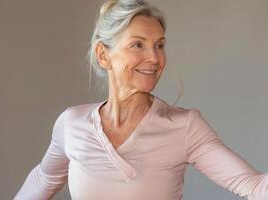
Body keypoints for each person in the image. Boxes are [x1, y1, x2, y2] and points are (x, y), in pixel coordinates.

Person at [14, 0, 268, 199]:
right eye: (138, 45)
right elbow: (43, 179)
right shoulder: (71, 124)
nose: (155, 58)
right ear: (104, 55)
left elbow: (254, 186)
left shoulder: (185, 126)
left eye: (159, 45)